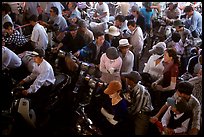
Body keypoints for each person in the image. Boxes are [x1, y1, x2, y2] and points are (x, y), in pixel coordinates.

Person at [122, 71, 154, 135]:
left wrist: (125, 111)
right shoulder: (132, 87)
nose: (126, 79)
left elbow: (137, 108)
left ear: (131, 80)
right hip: (135, 111)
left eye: (127, 78)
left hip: (142, 114)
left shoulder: (140, 90)